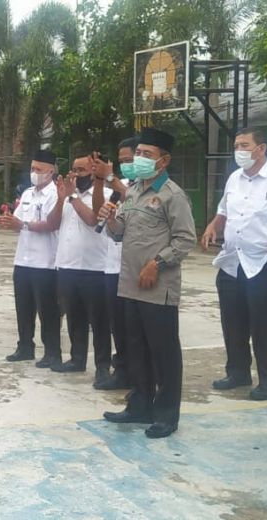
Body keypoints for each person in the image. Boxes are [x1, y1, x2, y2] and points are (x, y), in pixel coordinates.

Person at [99, 127, 196, 439]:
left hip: (158, 288)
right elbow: (119, 232)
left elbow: (185, 239)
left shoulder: (172, 195)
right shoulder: (134, 191)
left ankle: (166, 414)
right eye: (138, 153)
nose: (138, 158)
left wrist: (157, 263)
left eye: (146, 154)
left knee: (163, 352)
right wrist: (110, 218)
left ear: (163, 161)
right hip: (130, 284)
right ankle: (139, 404)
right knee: (136, 349)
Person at [201, 128, 267, 400]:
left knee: (266, 325)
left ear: (261, 149)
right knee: (232, 322)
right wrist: (213, 225)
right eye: (236, 145)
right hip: (232, 260)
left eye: (244, 145)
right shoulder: (234, 178)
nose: (239, 151)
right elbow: (224, 210)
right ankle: (237, 372)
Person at [49, 156, 113, 383]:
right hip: (67, 265)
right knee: (74, 317)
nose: (76, 174)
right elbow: (53, 223)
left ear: (93, 172)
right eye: (74, 169)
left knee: (99, 321)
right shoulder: (66, 196)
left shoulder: (104, 194)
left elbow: (93, 220)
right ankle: (77, 359)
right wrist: (61, 199)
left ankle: (103, 366)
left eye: (82, 170)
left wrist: (73, 197)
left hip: (94, 268)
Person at [0, 150, 61, 366]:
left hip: (46, 262)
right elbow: (18, 222)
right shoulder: (27, 194)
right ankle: (25, 346)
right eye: (32, 168)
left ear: (51, 171)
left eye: (39, 169)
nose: (34, 173)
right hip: (23, 260)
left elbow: (52, 225)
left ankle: (52, 352)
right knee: (23, 307)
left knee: (48, 311)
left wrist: (22, 224)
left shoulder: (56, 194)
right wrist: (8, 222)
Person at [92, 138, 137, 390]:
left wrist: (110, 177)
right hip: (112, 265)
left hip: (133, 266)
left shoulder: (142, 188)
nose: (125, 165)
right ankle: (122, 372)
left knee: (134, 325)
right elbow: (98, 209)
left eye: (129, 160)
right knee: (117, 324)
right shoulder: (120, 186)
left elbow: (134, 199)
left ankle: (140, 373)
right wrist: (100, 181)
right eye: (121, 161)